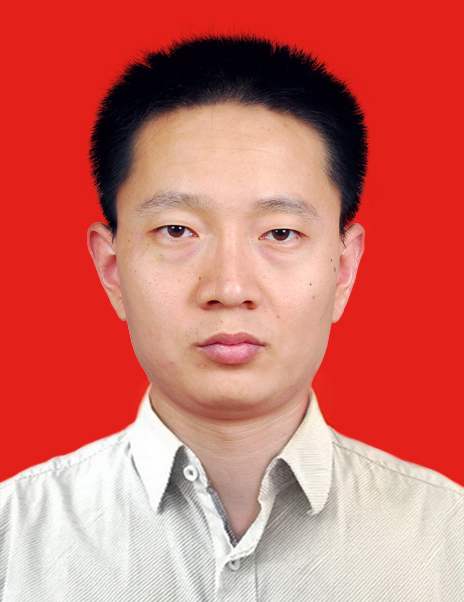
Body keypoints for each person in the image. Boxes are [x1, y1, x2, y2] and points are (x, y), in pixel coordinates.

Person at [0, 34, 462, 602]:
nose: (230, 288)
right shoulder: (13, 540)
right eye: (177, 230)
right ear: (111, 268)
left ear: (344, 268)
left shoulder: (447, 540)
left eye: (280, 233)